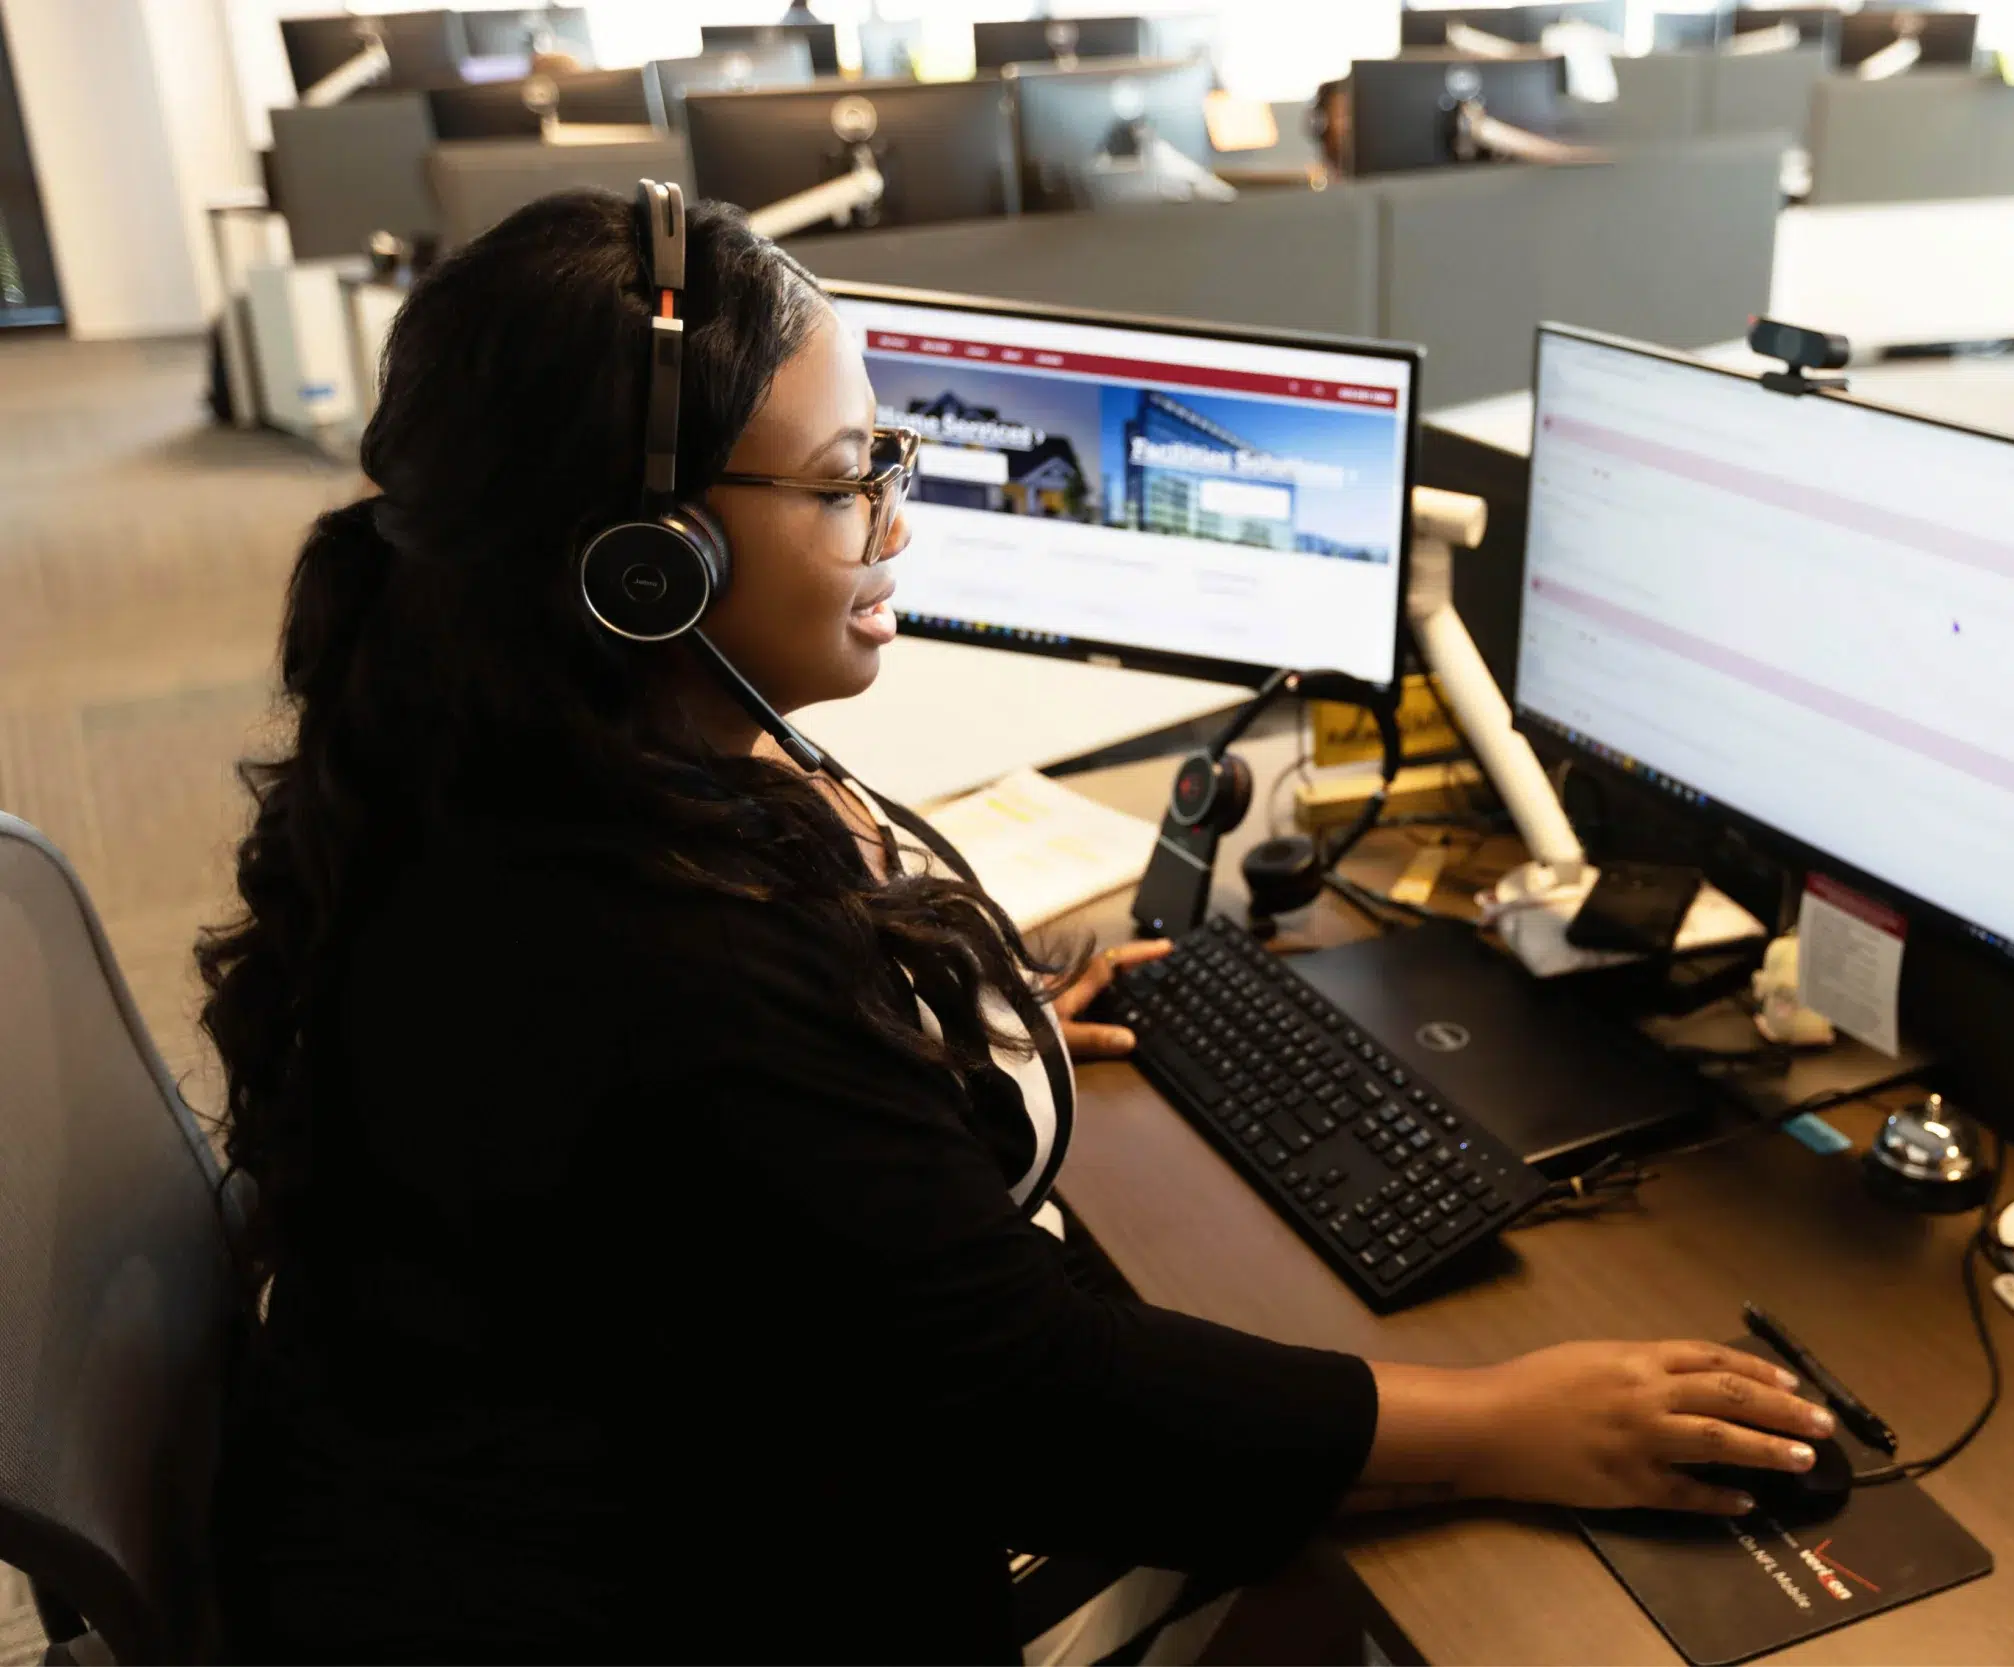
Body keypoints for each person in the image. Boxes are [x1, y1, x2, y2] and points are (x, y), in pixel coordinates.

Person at [203, 187, 1836, 1663]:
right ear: (647, 566)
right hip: (672, 1594)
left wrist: (925, 1050)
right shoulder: (664, 951)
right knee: (1407, 1609)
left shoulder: (469, 755)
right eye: (847, 482)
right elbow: (1032, 1402)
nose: (896, 522)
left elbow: (729, 1188)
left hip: (485, 1510)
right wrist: (1508, 1418)